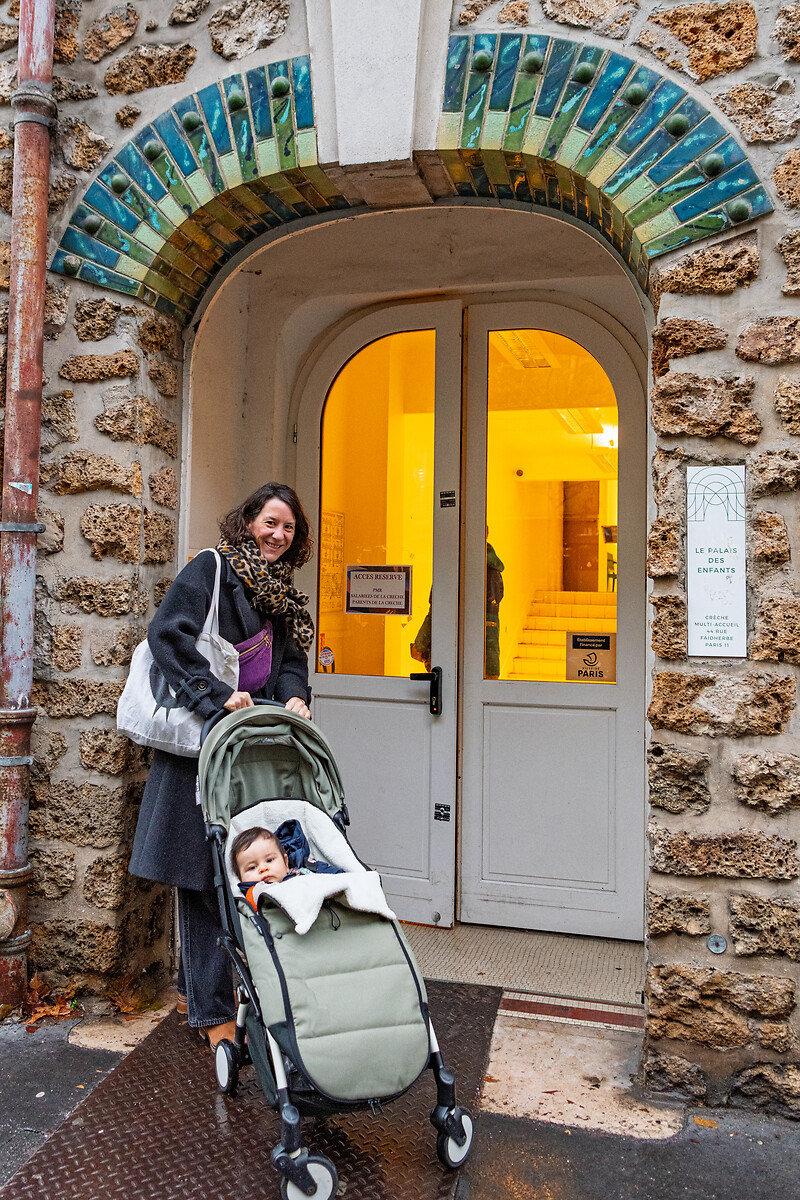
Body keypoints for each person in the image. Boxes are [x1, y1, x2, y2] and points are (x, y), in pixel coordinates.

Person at [129, 482, 314, 1047]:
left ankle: (207, 991)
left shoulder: (277, 594)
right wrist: (212, 695)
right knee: (204, 878)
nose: (278, 535)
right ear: (247, 520)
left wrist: (291, 696)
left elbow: (288, 661)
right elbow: (168, 635)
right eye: (270, 522)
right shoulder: (211, 568)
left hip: (243, 748)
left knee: (233, 871)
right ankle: (213, 1016)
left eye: (288, 528)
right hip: (199, 747)